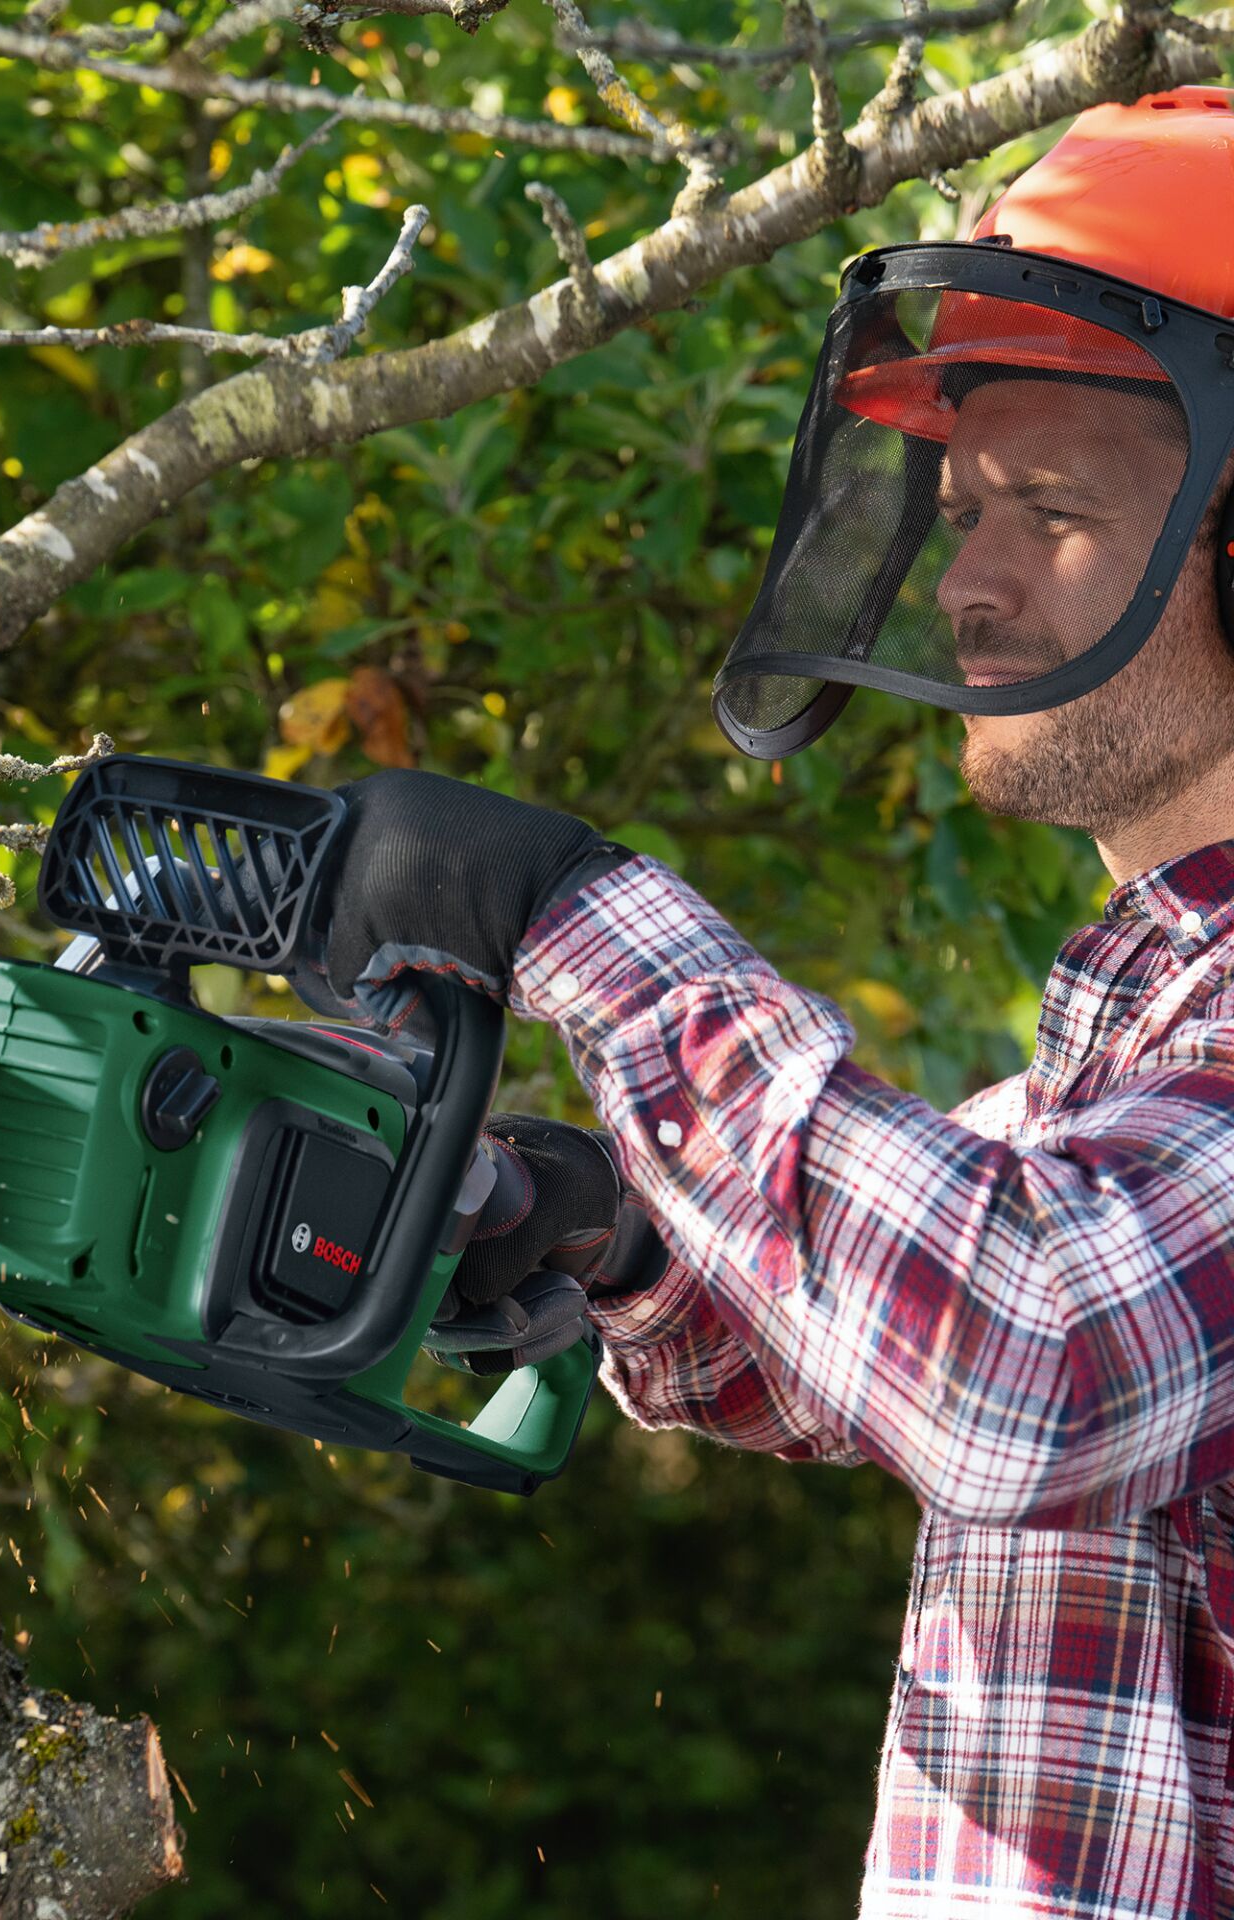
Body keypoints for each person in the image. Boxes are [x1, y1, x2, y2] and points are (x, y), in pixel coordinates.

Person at [293, 86, 1234, 1918]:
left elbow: (1023, 1361)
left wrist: (570, 915)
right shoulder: (1142, 1023)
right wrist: (612, 1244)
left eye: (1049, 512)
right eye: (963, 508)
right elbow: (879, 1334)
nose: (964, 584)